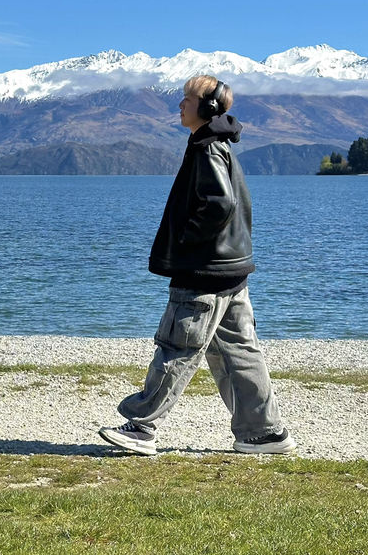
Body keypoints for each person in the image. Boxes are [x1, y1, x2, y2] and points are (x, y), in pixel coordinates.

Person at [99, 75, 296, 456]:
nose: (179, 106)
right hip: (231, 271)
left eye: (186, 100)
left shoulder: (207, 148)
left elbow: (219, 204)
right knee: (240, 352)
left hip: (205, 271)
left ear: (206, 108)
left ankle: (142, 426)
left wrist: (188, 240)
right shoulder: (217, 145)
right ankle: (264, 433)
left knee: (179, 344)